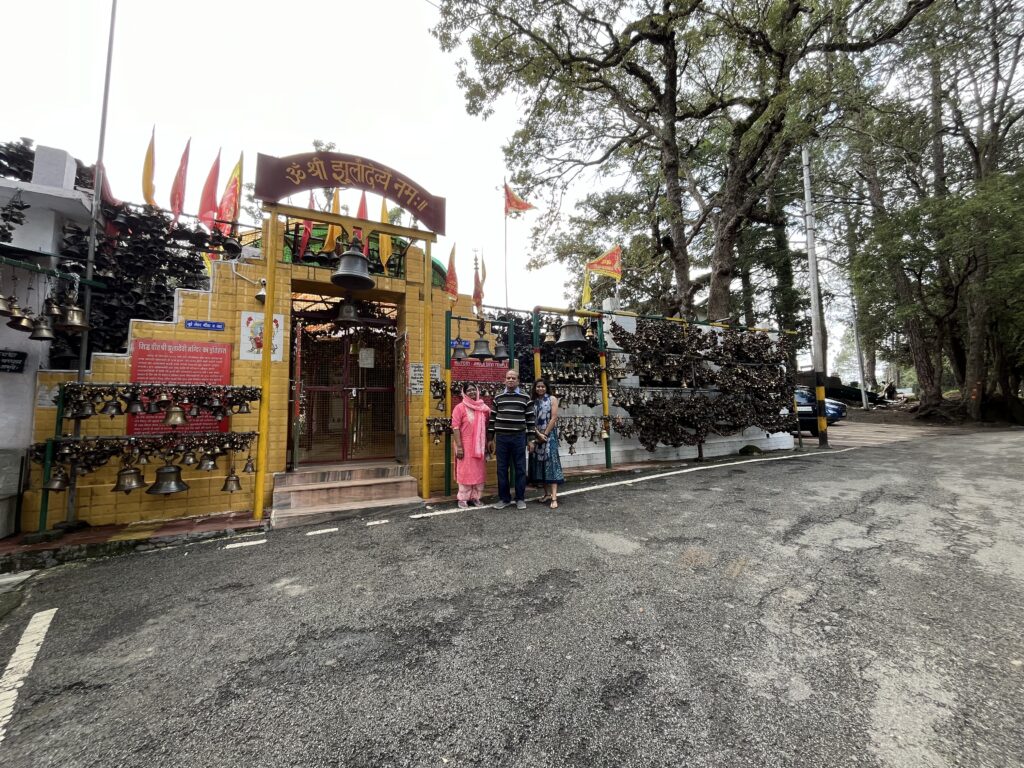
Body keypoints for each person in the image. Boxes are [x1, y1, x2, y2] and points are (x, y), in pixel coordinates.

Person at [486, 368, 536, 510]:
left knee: (520, 469)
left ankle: (520, 498)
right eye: (508, 378)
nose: (511, 380)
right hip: (501, 438)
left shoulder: (526, 398)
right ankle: (504, 499)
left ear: (518, 381)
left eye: (513, 378)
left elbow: (531, 419)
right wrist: (490, 438)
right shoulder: (498, 397)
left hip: (519, 438)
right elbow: (493, 418)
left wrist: (531, 439)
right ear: (504, 380)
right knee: (501, 469)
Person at [451, 384, 490, 508]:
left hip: (479, 445)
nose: (472, 392)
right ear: (464, 393)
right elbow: (455, 428)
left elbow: (488, 427)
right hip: (464, 445)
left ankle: (475, 497)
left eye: (474, 389)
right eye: (469, 390)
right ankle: (463, 498)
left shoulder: (484, 408)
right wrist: (459, 447)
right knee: (465, 471)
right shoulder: (459, 408)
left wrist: (488, 443)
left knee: (478, 472)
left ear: (478, 391)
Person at [528, 379, 565, 509]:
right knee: (540, 465)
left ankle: (554, 497)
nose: (540, 389)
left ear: (546, 387)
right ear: (535, 388)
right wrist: (538, 434)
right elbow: (530, 419)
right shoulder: (532, 401)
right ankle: (546, 493)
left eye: (542, 386)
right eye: (538, 386)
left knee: (551, 464)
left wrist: (546, 434)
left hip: (550, 437)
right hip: (537, 436)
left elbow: (554, 417)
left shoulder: (552, 399)